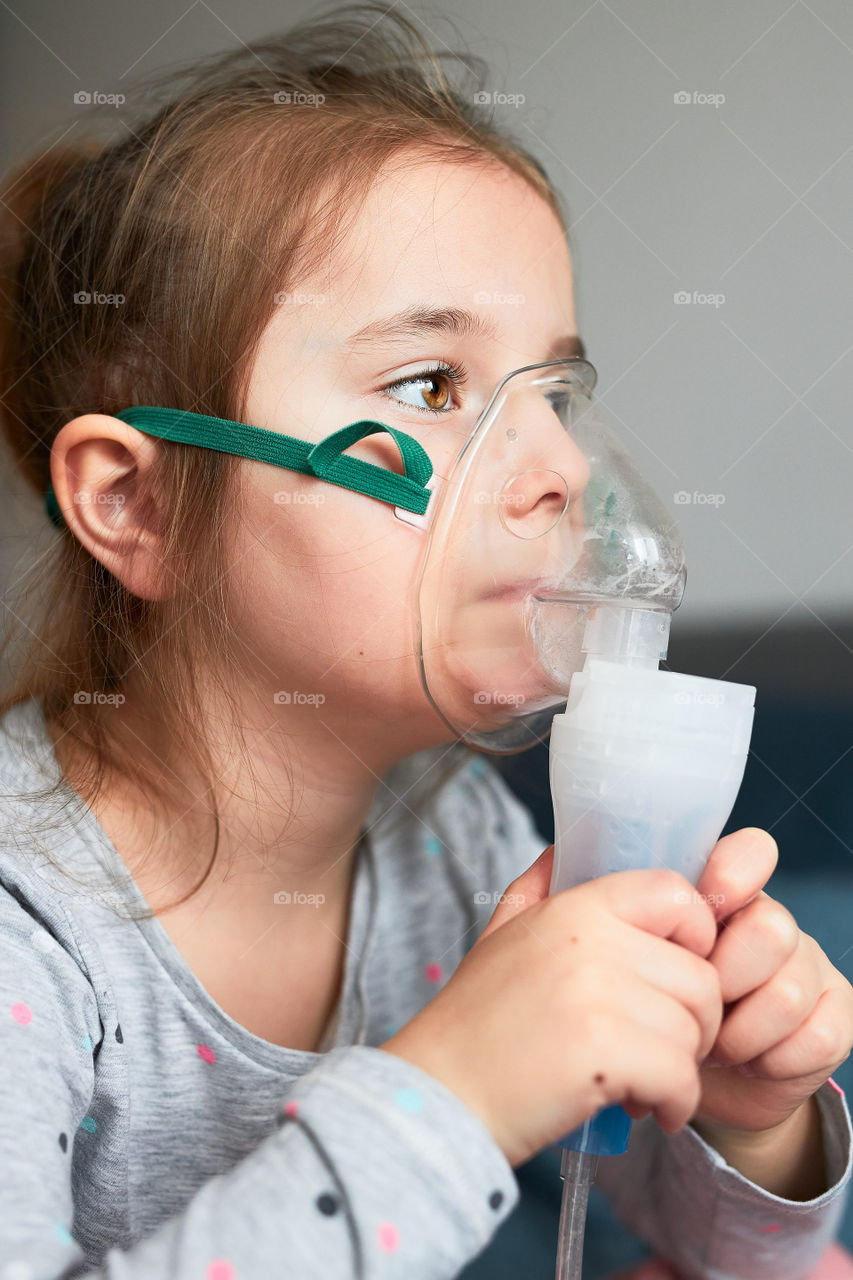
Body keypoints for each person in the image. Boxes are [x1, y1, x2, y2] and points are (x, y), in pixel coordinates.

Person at [0, 5, 850, 1277]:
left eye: (557, 392)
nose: (562, 464)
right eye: (434, 387)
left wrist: (751, 1116)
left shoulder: (455, 846)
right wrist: (454, 1087)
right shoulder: (31, 930)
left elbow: (736, 1251)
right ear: (141, 503)